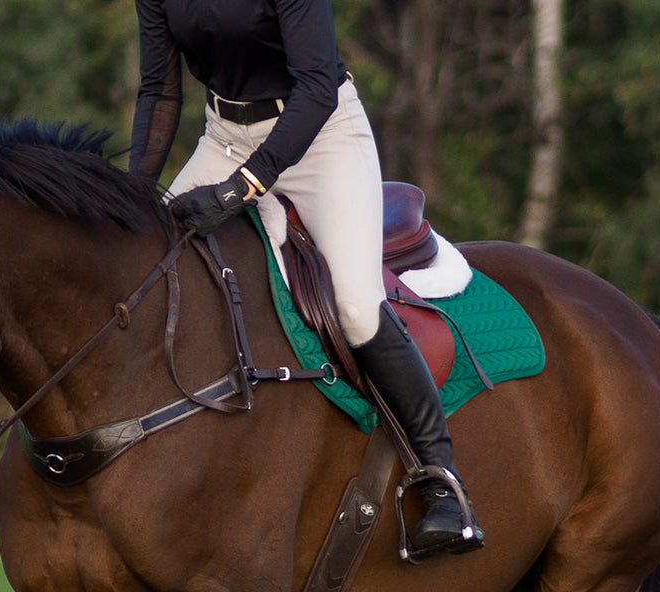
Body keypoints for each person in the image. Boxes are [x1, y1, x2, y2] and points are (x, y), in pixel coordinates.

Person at [129, 0, 483, 556]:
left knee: (357, 308)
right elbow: (160, 90)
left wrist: (242, 187)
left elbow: (317, 87)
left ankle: (442, 479)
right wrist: (131, 199)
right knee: (149, 272)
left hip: (322, 137)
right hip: (224, 138)